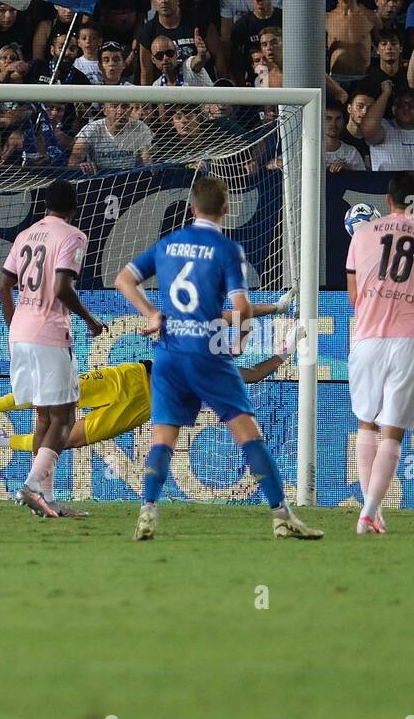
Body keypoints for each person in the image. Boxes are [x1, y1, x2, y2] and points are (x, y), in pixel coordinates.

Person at [114, 176, 323, 541]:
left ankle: (148, 510)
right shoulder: (226, 249)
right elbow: (240, 306)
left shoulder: (167, 244)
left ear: (191, 208)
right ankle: (281, 516)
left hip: (168, 352)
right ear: (226, 209)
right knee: (248, 434)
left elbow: (123, 280)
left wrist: (151, 313)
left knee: (163, 438)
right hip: (207, 351)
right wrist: (240, 339)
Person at [0, 300, 304, 456]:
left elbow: (255, 375)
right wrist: (276, 308)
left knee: (63, 442)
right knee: (51, 391)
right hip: (131, 378)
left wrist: (287, 350)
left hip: (142, 408)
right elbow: (233, 314)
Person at [345, 171, 414, 534]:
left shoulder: (361, 235)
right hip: (410, 338)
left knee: (366, 422)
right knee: (394, 430)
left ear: (388, 201)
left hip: (367, 338)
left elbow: (354, 297)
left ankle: (369, 509)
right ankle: (370, 511)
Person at [0, 180, 108, 519]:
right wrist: (90, 320)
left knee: (43, 416)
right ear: (74, 207)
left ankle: (45, 502)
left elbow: (3, 284)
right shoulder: (73, 235)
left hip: (20, 334)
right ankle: (32, 486)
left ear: (45, 205)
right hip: (49, 333)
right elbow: (61, 287)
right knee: (64, 417)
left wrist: (16, 325)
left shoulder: (25, 235)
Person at [69, 102, 154, 173]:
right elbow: (73, 163)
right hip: (98, 180)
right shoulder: (91, 129)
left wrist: (150, 166)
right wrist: (82, 165)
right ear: (105, 110)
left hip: (130, 180)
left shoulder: (140, 128)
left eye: (124, 106)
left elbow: (146, 159)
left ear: (130, 110)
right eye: (114, 106)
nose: (120, 111)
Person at [325, 99, 369, 170]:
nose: (333, 123)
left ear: (343, 121)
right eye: (328, 118)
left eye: (338, 119)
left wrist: (347, 170)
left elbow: (362, 179)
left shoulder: (352, 152)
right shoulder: (312, 150)